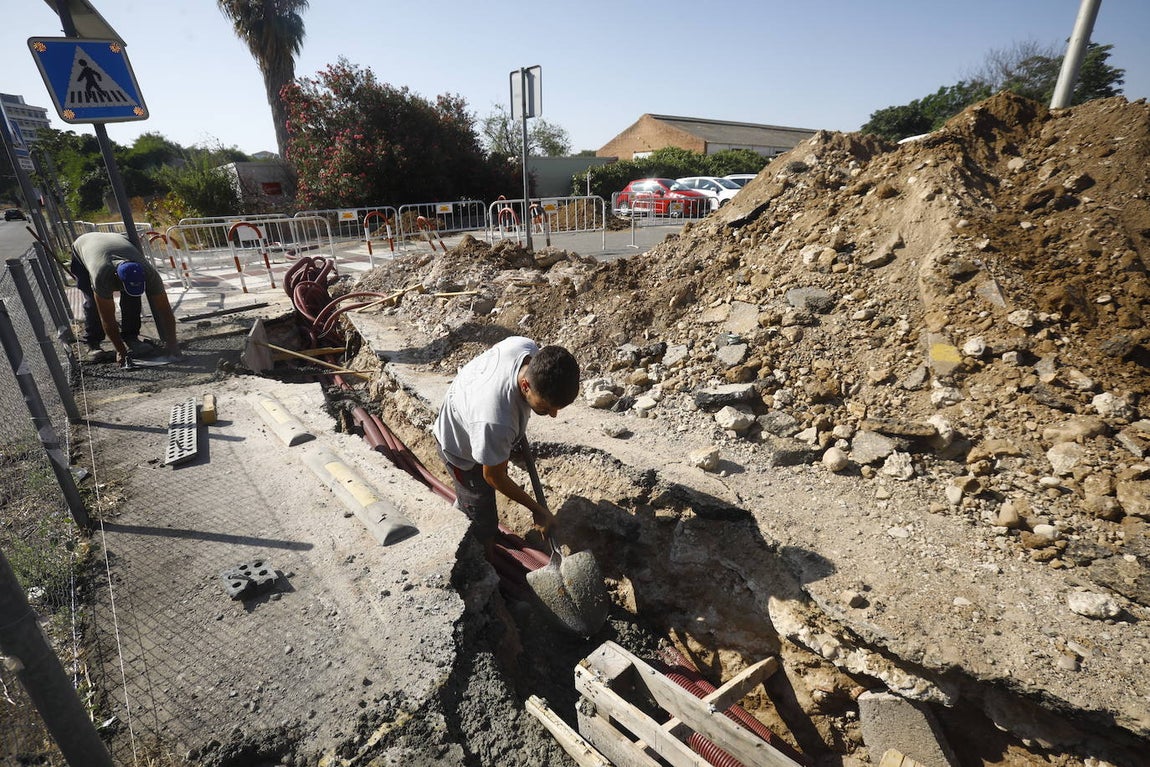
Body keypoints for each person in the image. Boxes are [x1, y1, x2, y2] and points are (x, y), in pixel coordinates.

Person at [433, 337, 580, 554]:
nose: (553, 415)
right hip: (459, 449)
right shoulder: (495, 421)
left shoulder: (524, 347)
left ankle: (466, 512)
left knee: (497, 443)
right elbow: (493, 477)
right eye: (546, 407)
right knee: (484, 523)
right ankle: (478, 564)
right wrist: (536, 509)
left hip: (476, 417)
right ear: (525, 385)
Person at [71, 231, 180, 365]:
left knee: (132, 297)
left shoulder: (148, 273)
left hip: (118, 241)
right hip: (83, 247)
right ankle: (93, 343)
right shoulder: (102, 275)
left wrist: (172, 343)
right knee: (94, 303)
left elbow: (165, 311)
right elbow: (108, 319)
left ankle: (131, 338)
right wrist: (121, 351)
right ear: (117, 277)